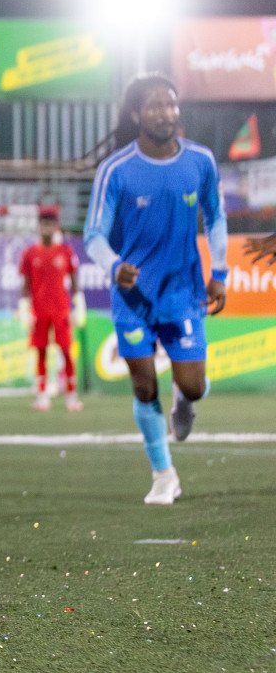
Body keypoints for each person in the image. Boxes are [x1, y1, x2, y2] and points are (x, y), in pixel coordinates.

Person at [84, 74, 227, 506]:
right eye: (155, 105)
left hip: (183, 293)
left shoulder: (200, 161)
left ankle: (186, 402)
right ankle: (164, 474)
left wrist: (220, 271)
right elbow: (93, 235)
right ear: (135, 114)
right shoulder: (116, 170)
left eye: (171, 104)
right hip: (132, 298)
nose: (166, 112)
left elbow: (215, 217)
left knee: (196, 385)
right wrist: (115, 267)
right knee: (144, 386)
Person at [17, 206, 82, 412]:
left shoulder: (65, 252)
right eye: (43, 224)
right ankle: (42, 395)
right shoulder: (30, 254)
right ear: (38, 227)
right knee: (41, 352)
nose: (46, 228)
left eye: (50, 224)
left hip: (61, 310)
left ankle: (71, 395)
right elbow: (25, 285)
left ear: (56, 227)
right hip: (39, 311)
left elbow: (74, 281)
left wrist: (79, 304)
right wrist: (24, 307)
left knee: (65, 351)